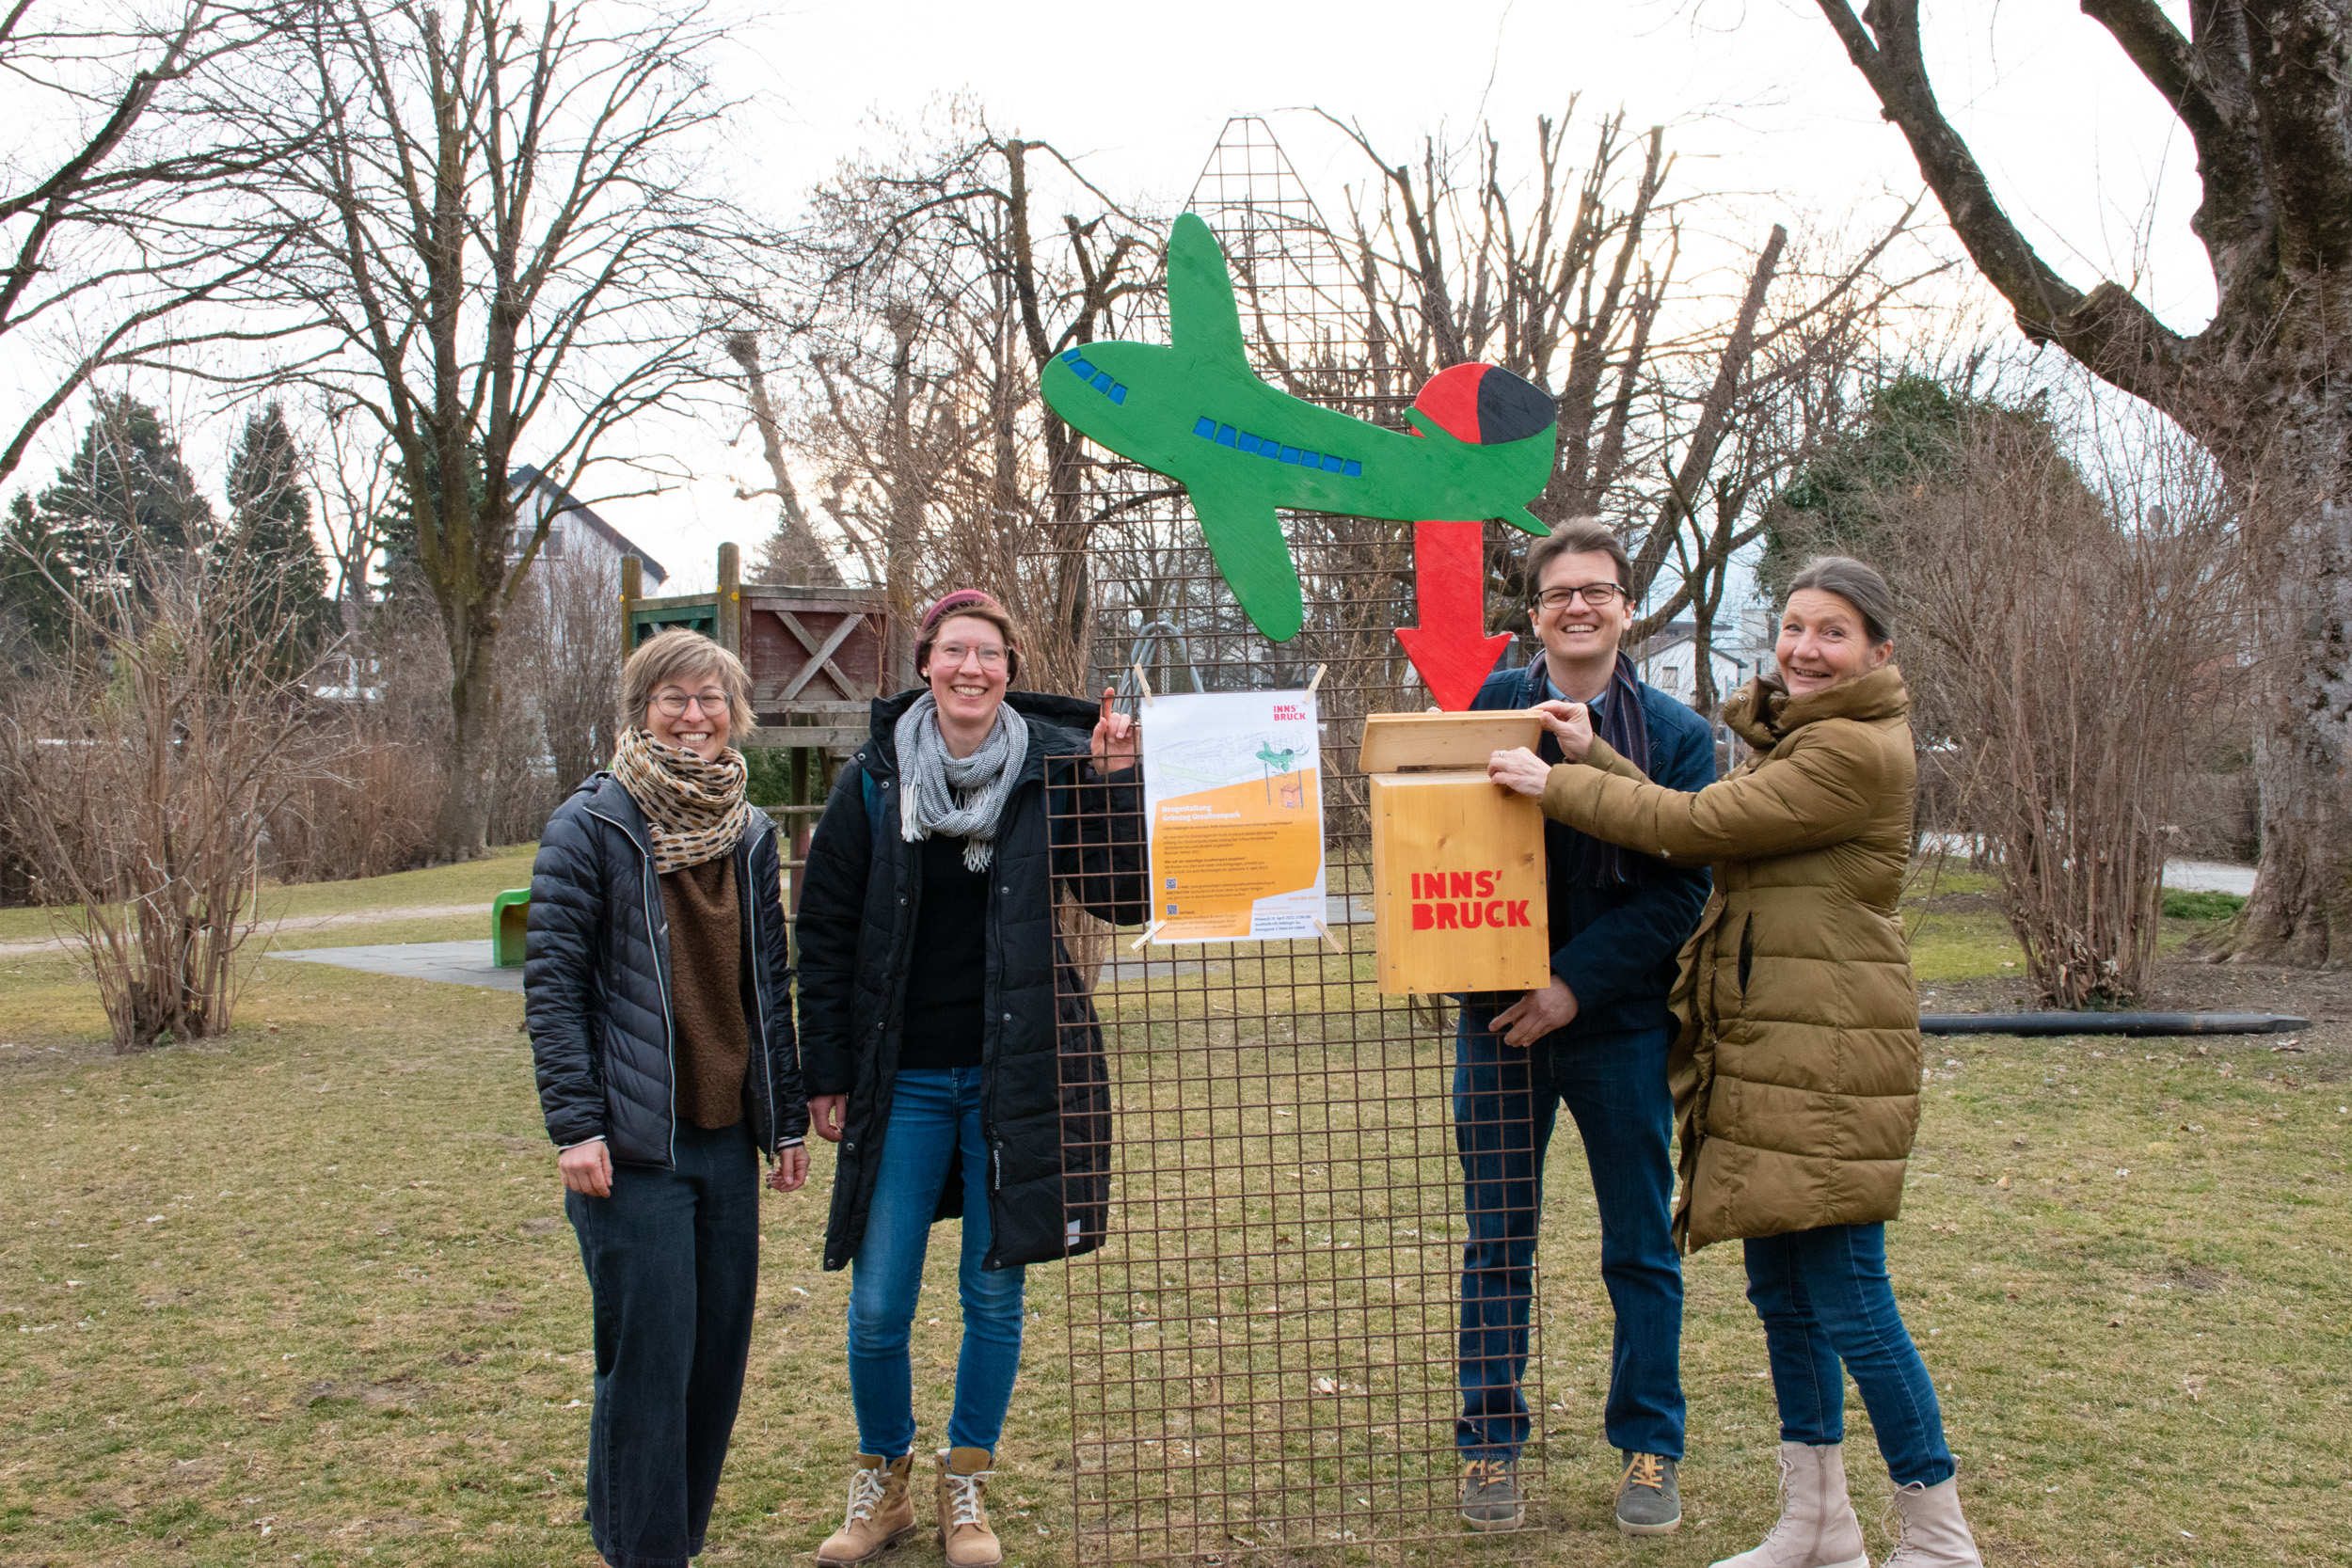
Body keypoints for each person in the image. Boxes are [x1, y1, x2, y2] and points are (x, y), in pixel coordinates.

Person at [1487, 556, 1982, 1568]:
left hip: (1825, 1048)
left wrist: (1562, 779)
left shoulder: (1850, 752)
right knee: (1783, 1291)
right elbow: (1718, 833)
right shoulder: (1802, 737)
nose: (1804, 647)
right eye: (1794, 626)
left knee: (1850, 1295)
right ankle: (1816, 1521)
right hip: (1767, 1044)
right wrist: (1600, 756)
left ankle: (1937, 1533)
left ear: (1878, 652)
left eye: (1832, 632)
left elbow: (1696, 825)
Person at [794, 589, 1146, 1568]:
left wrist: (1115, 783)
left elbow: (1119, 900)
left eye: (988, 654)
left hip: (1017, 1073)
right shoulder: (872, 780)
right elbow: (820, 931)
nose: (971, 669)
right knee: (878, 1305)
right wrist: (825, 1066)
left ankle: (965, 1486)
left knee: (992, 1295)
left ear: (1009, 667)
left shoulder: (1054, 771)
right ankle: (883, 1485)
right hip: (900, 1077)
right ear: (925, 663)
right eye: (954, 651)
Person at [525, 627, 811, 1568]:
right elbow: (554, 988)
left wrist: (788, 1118)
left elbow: (769, 986)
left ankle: (668, 1540)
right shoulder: (593, 824)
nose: (694, 716)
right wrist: (575, 1125)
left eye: (711, 698)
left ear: (735, 712)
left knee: (713, 1358)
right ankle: (642, 1550)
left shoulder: (751, 830)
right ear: (638, 711)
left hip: (726, 1141)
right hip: (633, 1145)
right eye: (672, 699)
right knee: (647, 1363)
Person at [1453, 517, 1717, 1536]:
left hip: (1617, 1023)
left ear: (1625, 608)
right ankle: (1488, 1447)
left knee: (1640, 1244)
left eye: (1596, 590)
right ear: (1534, 614)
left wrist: (1573, 984)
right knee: (1496, 1240)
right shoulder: (1486, 711)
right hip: (1495, 1024)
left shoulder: (1679, 736)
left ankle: (1650, 1444)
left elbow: (1679, 887)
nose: (1577, 606)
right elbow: (1447, 846)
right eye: (1559, 591)